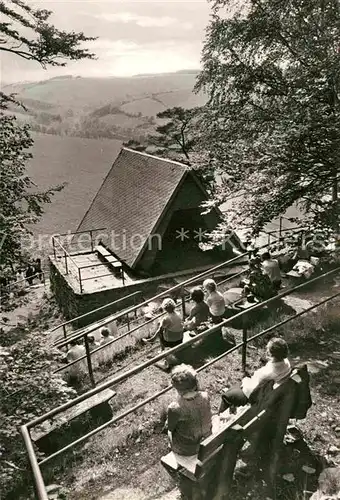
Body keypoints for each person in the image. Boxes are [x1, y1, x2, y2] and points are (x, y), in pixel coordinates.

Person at [219, 338, 291, 413]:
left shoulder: (268, 373)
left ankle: (219, 418)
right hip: (270, 391)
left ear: (272, 353)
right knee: (233, 388)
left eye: (268, 349)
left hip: (255, 396)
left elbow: (252, 390)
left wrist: (245, 382)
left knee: (227, 396)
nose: (266, 350)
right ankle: (231, 411)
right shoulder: (286, 363)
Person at [166, 364, 212, 456]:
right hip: (206, 441)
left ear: (176, 387)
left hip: (187, 450)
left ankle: (173, 451)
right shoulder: (205, 396)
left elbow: (170, 428)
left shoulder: (175, 408)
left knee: (168, 431)